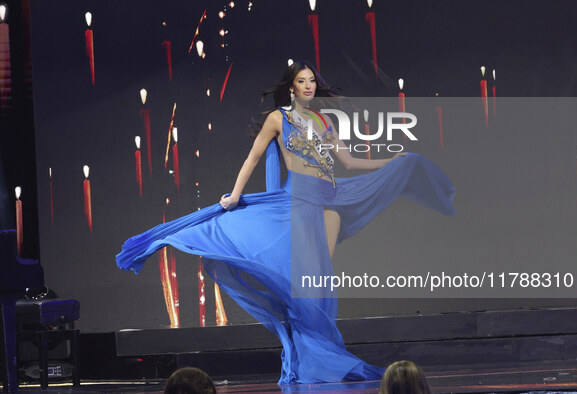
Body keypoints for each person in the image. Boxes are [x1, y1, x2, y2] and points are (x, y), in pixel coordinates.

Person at [116, 60, 456, 384]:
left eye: (311, 81)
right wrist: (235, 195)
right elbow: (253, 157)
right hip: (300, 203)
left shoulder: (324, 123)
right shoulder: (279, 120)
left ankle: (319, 356)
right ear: (291, 88)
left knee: (319, 285)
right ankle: (309, 359)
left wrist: (391, 161)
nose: (308, 87)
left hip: (331, 202)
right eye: (301, 82)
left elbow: (350, 163)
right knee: (305, 288)